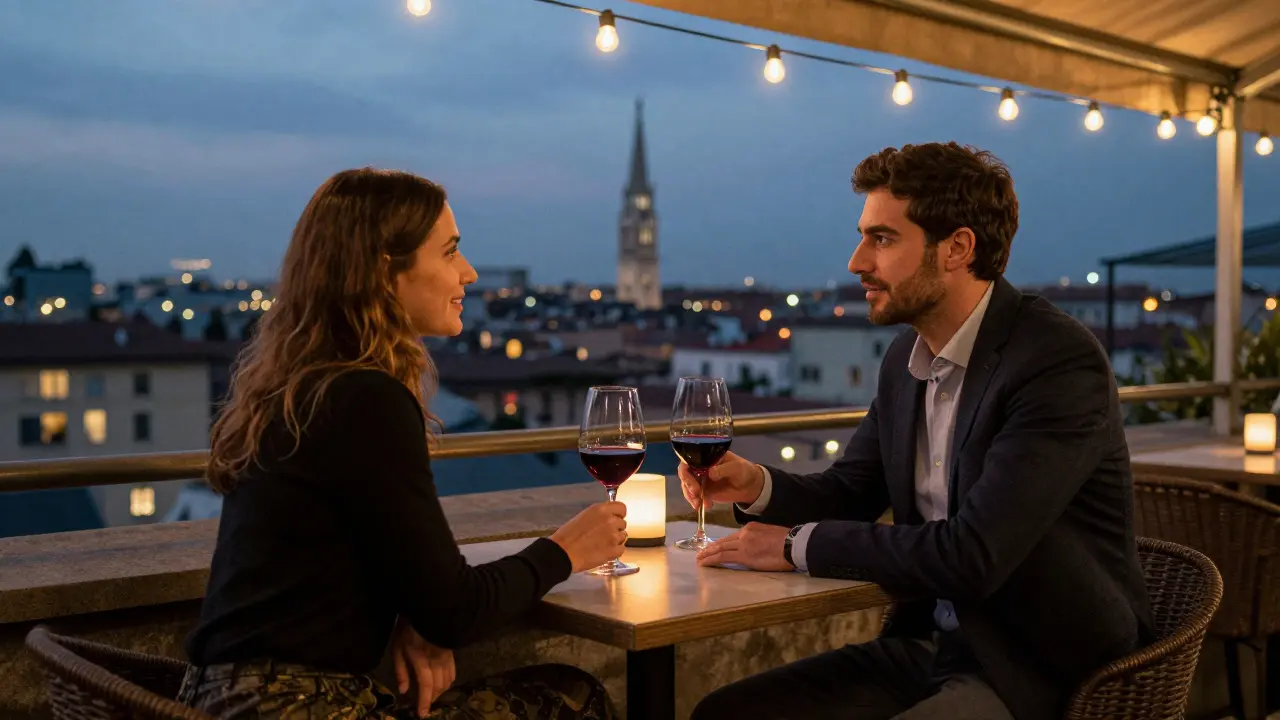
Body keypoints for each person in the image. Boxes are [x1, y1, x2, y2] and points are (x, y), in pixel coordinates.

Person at [684, 142, 1155, 720]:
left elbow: (972, 554)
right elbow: (851, 491)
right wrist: (755, 486)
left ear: (957, 247)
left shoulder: (1055, 361)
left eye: (881, 239)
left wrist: (792, 545)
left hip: (1040, 665)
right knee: (724, 713)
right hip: (933, 646)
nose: (857, 261)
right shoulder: (907, 357)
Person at [180, 168, 624, 719]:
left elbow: (384, 567)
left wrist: (412, 612)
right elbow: (458, 611)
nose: (469, 271)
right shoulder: (367, 398)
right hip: (291, 708)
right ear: (385, 269)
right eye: (449, 252)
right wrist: (565, 551)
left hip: (225, 700)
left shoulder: (304, 387)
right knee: (571, 700)